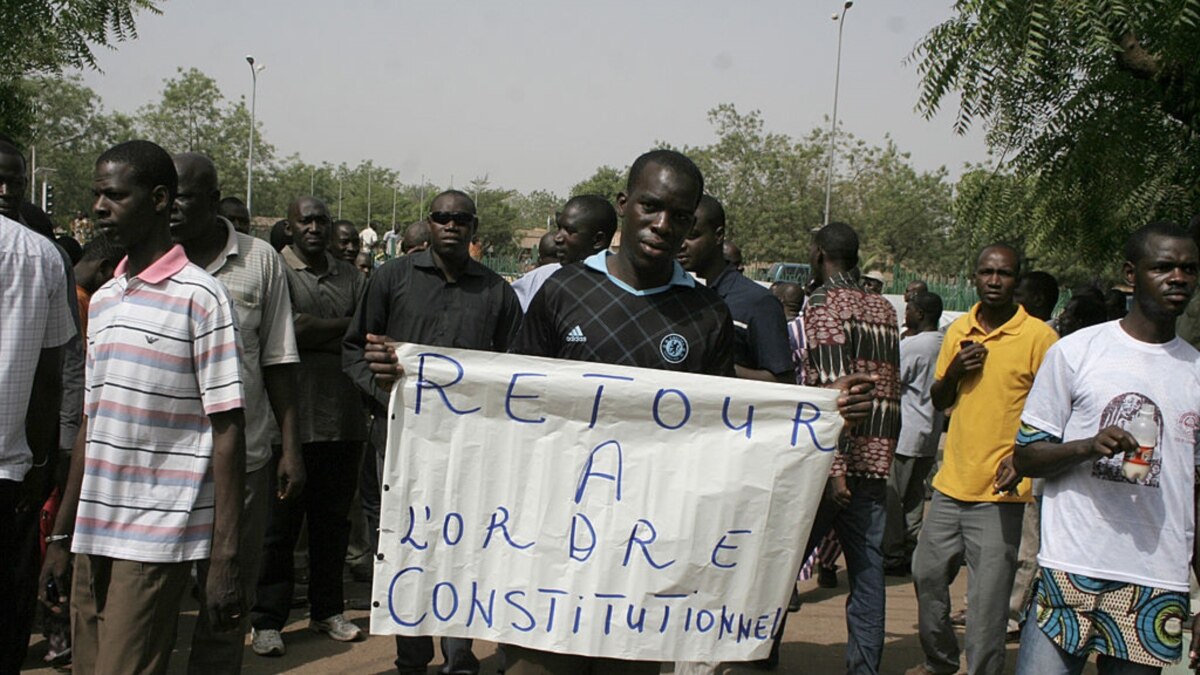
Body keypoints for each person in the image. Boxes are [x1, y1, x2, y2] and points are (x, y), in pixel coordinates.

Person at [509, 149, 732, 675]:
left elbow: (727, 432)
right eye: (650, 207)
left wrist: (825, 408)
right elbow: (509, 404)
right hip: (552, 544)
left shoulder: (706, 314)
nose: (662, 225)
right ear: (624, 203)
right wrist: (411, 374)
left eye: (680, 217)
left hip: (649, 556)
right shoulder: (562, 291)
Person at [40, 140, 247, 675]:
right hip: (93, 529)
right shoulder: (106, 298)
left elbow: (228, 429)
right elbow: (92, 421)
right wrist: (62, 537)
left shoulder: (201, 298)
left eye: (114, 195)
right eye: (96, 196)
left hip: (156, 536)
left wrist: (224, 555)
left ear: (158, 199)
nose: (99, 208)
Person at [344, 189, 521, 675]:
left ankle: (460, 657)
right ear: (430, 222)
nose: (450, 225)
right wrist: (394, 400)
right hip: (401, 443)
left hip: (471, 448)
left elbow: (517, 371)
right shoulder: (390, 278)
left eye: (460, 219)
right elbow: (354, 351)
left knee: (465, 546)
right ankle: (411, 657)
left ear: (472, 227)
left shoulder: (496, 292)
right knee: (408, 543)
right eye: (442, 217)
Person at [1012, 222, 1200, 675]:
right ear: (1130, 275)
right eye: (1163, 267)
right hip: (1068, 568)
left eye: (1189, 269)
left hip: (1155, 582)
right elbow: (1026, 457)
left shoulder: (1195, 372)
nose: (1178, 278)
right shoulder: (1078, 352)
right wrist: (1086, 447)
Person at [169, 152, 305, 673]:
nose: (174, 206)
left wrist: (289, 448)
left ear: (212, 197)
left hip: (245, 460)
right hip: (164, 463)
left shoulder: (259, 260)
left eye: (184, 195)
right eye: (167, 194)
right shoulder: (151, 257)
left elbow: (278, 358)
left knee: (226, 596)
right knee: (156, 599)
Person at [907, 244, 1058, 675]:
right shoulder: (959, 331)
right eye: (987, 272)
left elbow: (1056, 412)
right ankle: (940, 661)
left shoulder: (1039, 339)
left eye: (1004, 274)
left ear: (1017, 280)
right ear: (975, 276)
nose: (994, 281)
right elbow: (939, 399)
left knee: (988, 608)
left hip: (1001, 494)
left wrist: (1022, 457)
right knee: (926, 576)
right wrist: (954, 370)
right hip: (951, 484)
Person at [784, 221, 901, 675]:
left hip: (831, 466)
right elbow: (885, 385)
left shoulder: (822, 304)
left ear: (818, 254)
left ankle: (759, 647)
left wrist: (835, 469)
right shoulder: (884, 308)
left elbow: (836, 392)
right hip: (877, 457)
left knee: (782, 566)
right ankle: (864, 669)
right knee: (869, 576)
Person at [252, 197, 367, 655]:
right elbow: (285, 331)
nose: (315, 228)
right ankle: (267, 620)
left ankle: (328, 610)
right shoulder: (275, 270)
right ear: (290, 226)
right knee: (279, 528)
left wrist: (321, 330)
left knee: (332, 524)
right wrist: (338, 329)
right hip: (289, 422)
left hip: (342, 418)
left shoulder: (352, 276)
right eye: (306, 220)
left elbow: (365, 333)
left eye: (322, 220)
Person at [0, 140, 75, 674]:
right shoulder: (40, 254)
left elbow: (53, 377)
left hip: (14, 466)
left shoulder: (43, 254)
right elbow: (52, 374)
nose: (7, 191)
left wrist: (43, 459)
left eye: (16, 180)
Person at [884, 291, 944, 575]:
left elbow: (893, 381)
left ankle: (893, 554)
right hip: (929, 433)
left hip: (906, 431)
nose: (904, 315)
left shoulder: (915, 346)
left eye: (908, 310)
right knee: (914, 495)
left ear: (919, 314)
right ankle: (909, 547)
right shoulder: (944, 343)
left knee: (893, 495)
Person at [510, 194, 617, 311]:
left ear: (598, 240)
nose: (557, 238)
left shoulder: (621, 286)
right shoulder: (544, 280)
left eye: (569, 230)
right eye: (559, 228)